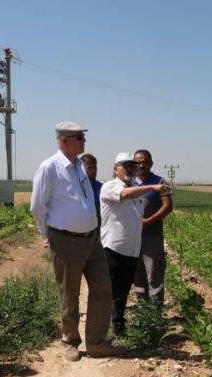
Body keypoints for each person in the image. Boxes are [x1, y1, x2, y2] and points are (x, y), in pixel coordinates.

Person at [30, 122, 122, 361]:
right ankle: (70, 340)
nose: (84, 141)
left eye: (83, 137)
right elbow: (37, 207)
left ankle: (96, 341)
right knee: (69, 293)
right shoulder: (50, 167)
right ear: (63, 141)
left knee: (103, 288)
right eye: (79, 137)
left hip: (92, 238)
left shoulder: (79, 165)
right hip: (66, 240)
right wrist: (46, 235)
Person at [100, 153, 169, 335]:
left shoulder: (137, 192)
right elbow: (123, 194)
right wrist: (152, 187)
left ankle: (119, 327)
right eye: (126, 165)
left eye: (132, 165)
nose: (131, 168)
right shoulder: (110, 186)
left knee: (123, 291)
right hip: (114, 248)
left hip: (131, 249)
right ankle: (101, 332)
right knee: (111, 290)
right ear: (116, 168)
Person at [132, 149, 173, 308]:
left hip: (152, 237)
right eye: (138, 162)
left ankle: (156, 312)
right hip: (133, 237)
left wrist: (148, 221)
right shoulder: (128, 182)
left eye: (144, 162)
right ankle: (143, 310)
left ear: (151, 163)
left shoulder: (159, 181)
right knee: (137, 275)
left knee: (154, 274)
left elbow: (168, 207)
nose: (141, 165)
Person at [82, 153, 102, 226]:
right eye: (89, 168)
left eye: (95, 168)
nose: (93, 171)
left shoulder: (102, 188)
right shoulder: (76, 187)